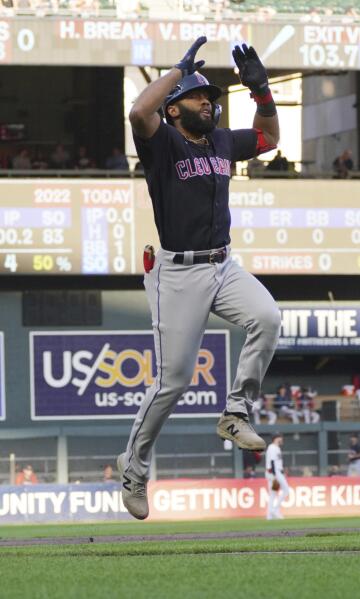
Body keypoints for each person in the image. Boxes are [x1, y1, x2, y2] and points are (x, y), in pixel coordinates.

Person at [117, 37, 280, 520]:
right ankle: (134, 467)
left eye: (210, 97)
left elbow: (270, 140)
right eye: (197, 96)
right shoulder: (162, 143)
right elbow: (136, 113)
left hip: (221, 263)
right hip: (178, 273)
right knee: (173, 381)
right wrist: (175, 72)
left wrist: (264, 92)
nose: (208, 102)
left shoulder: (222, 140)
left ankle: (236, 412)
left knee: (268, 316)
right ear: (173, 110)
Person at [265, 432, 289, 520]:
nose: (281, 439)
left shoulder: (276, 448)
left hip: (276, 472)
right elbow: (272, 462)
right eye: (280, 437)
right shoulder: (272, 447)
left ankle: (269, 515)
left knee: (273, 493)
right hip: (274, 473)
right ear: (276, 438)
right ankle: (274, 510)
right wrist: (275, 475)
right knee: (286, 490)